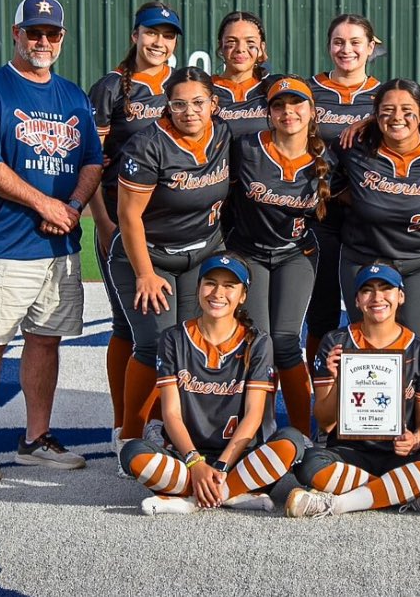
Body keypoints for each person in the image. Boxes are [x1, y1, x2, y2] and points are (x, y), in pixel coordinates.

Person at [0, 0, 102, 481]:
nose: (42, 40)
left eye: (51, 33)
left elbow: (93, 161)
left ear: (61, 39)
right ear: (15, 34)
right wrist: (46, 205)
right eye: (33, 32)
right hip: (0, 242)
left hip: (58, 246)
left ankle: (36, 438)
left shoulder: (73, 96)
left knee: (45, 341)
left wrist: (74, 207)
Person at [120, 253, 305, 514]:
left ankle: (191, 499)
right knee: (133, 453)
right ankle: (231, 493)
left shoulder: (258, 342)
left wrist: (220, 466)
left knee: (291, 443)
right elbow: (170, 413)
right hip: (188, 454)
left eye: (229, 286)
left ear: (242, 295)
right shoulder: (174, 338)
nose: (218, 293)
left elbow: (254, 415)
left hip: (238, 456)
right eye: (210, 283)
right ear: (198, 287)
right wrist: (195, 463)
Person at [109, 66, 232, 444]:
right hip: (150, 256)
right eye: (178, 104)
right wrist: (145, 274)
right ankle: (128, 437)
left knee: (194, 343)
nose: (189, 111)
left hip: (202, 254)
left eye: (198, 102)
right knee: (154, 344)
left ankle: (172, 428)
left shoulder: (222, 133)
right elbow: (128, 215)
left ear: (214, 103)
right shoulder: (148, 144)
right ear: (167, 105)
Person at [88, 1, 181, 452]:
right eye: (151, 33)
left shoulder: (184, 88)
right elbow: (90, 162)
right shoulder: (111, 87)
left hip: (175, 227)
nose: (158, 42)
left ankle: (166, 418)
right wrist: (103, 222)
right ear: (134, 35)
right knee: (130, 326)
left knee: (173, 327)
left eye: (167, 35)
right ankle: (124, 422)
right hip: (122, 221)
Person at [286, 264, 420, 518]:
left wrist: (415, 440)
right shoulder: (336, 343)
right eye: (367, 290)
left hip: (398, 454)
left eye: (386, 289)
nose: (377, 298)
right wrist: (340, 379)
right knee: (308, 465)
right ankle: (407, 492)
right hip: (348, 452)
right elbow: (325, 422)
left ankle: (339, 503)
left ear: (401, 296)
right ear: (356, 300)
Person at [226, 74, 333, 437]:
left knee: (286, 341)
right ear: (268, 113)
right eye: (279, 105)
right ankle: (260, 424)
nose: (289, 112)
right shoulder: (246, 147)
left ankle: (302, 436)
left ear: (312, 110)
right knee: (258, 340)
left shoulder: (327, 157)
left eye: (297, 103)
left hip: (295, 254)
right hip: (249, 252)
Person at [335, 79, 420, 348]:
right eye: (387, 110)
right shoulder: (352, 146)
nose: (397, 117)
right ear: (375, 114)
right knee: (367, 346)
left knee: (419, 348)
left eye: (407, 109)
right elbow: (330, 183)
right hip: (365, 258)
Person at [302, 14, 383, 385]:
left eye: (354, 43)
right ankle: (323, 398)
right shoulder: (307, 91)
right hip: (319, 216)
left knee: (365, 310)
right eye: (338, 42)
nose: (345, 50)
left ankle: (361, 399)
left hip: (369, 219)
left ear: (371, 47)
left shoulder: (385, 97)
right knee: (319, 314)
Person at [211, 10, 270, 137]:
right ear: (220, 46)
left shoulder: (273, 88)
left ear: (262, 48)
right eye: (231, 42)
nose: (240, 49)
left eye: (250, 42)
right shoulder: (205, 89)